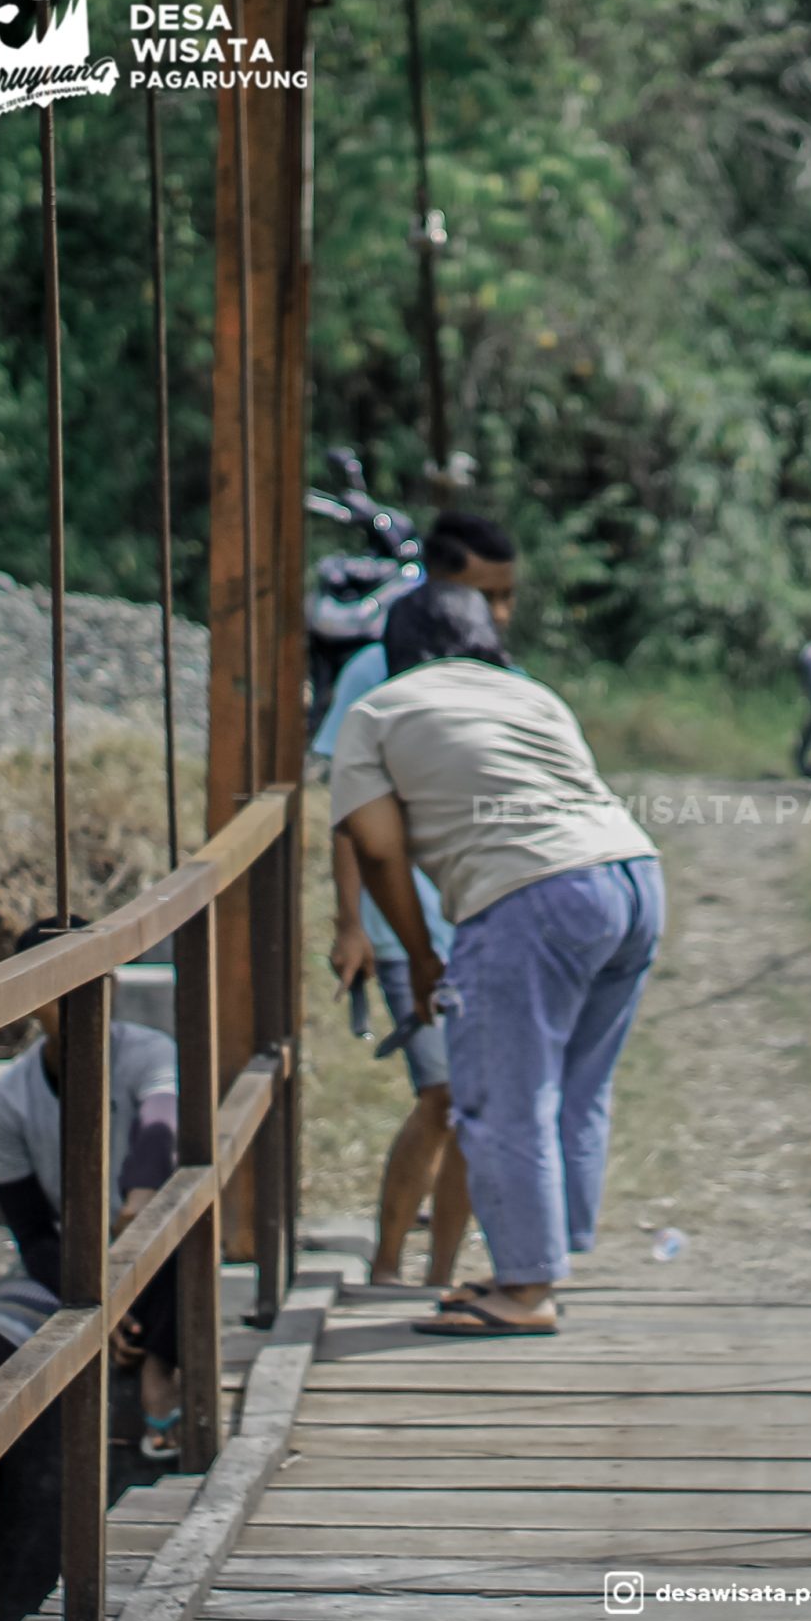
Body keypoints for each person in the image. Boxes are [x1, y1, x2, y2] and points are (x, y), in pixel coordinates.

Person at [330, 583, 662, 1337]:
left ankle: (526, 1288)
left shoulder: (376, 711)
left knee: (499, 1096)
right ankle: (540, 1262)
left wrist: (422, 957)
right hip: (635, 877)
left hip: (531, 892)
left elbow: (375, 847)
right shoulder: (533, 695)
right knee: (575, 1086)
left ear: (397, 651)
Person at [0, 917, 186, 1621]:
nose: (87, 1001)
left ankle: (164, 1387)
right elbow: (31, 1231)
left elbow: (160, 1127)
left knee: (181, 1240)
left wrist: (137, 1200)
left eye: (98, 983)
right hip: (62, 1262)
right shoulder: (6, 1099)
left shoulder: (148, 1052)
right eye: (64, 991)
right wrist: (95, 1301)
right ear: (31, 1002)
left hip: (149, 1242)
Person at [313, 512, 519, 1288]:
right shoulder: (375, 670)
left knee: (470, 1105)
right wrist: (350, 923)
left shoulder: (498, 672)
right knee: (442, 1094)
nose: (499, 614)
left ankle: (440, 1275)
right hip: (405, 924)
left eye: (507, 597)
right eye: (486, 596)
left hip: (481, 918)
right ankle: (389, 1263)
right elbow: (350, 811)